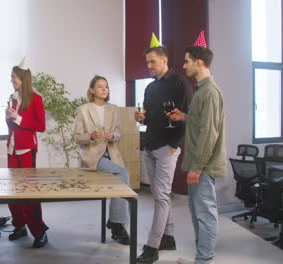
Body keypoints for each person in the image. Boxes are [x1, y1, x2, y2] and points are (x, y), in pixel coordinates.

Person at [135, 34, 193, 263]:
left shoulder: (180, 83)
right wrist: (141, 117)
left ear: (165, 60)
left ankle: (153, 246)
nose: (148, 66)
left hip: (167, 147)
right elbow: (148, 118)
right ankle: (168, 236)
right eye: (147, 62)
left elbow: (187, 116)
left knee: (159, 196)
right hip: (150, 145)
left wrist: (174, 145)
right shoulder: (150, 88)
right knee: (162, 195)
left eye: (153, 62)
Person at [169, 44, 226, 264]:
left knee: (205, 212)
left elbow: (209, 133)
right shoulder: (201, 89)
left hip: (203, 164)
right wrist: (184, 116)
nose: (184, 65)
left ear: (198, 62)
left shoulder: (210, 91)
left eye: (187, 61)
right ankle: (201, 256)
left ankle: (204, 259)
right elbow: (201, 121)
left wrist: (197, 166)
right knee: (196, 210)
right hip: (197, 162)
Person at [74, 75, 131, 245]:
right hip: (92, 156)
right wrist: (90, 136)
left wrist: (113, 135)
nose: (104, 89)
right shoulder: (83, 109)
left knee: (121, 177)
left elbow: (119, 134)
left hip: (111, 154)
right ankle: (117, 224)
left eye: (106, 86)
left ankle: (116, 222)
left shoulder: (114, 109)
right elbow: (77, 138)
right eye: (100, 86)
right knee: (123, 173)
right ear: (92, 90)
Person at [6, 57, 48, 248]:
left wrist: (19, 118)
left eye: (14, 77)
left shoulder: (36, 99)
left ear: (23, 78)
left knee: (29, 192)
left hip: (26, 150)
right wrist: (9, 117)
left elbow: (41, 126)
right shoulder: (12, 98)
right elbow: (12, 124)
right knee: (13, 191)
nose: (11, 79)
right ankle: (19, 225)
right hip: (12, 149)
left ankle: (39, 231)